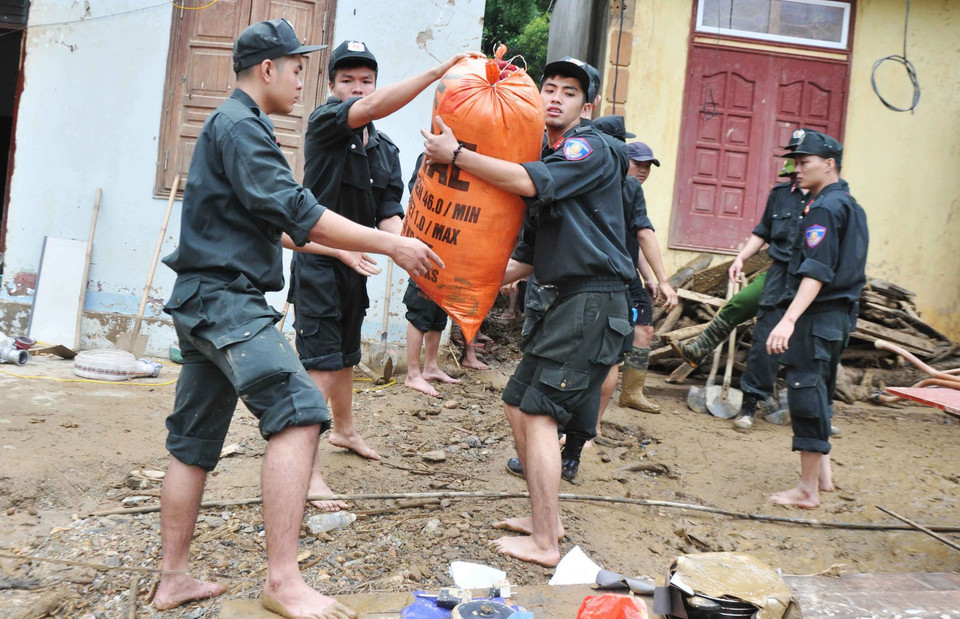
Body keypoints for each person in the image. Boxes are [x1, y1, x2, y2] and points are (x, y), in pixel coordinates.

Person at [155, 19, 442, 617]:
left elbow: (281, 224)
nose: (299, 79)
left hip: (204, 302)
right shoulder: (241, 127)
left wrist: (340, 247)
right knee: (299, 414)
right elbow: (296, 208)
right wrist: (391, 245)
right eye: (296, 68)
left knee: (193, 441)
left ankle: (172, 577)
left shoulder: (238, 127)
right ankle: (283, 581)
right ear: (268, 69)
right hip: (226, 302)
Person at [422, 56, 633, 566]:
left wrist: (458, 155)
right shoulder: (551, 153)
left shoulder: (589, 148)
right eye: (550, 87)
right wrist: (465, 280)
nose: (556, 97)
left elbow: (527, 182)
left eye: (570, 92)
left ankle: (545, 543)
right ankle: (547, 519)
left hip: (591, 299)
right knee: (518, 400)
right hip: (565, 298)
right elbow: (530, 257)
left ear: (590, 105)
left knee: (539, 411)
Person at [288, 41, 473, 496]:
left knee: (347, 354)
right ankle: (305, 471)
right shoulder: (325, 123)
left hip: (358, 265)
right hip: (319, 260)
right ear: (331, 86)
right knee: (321, 366)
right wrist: (436, 74)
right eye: (346, 80)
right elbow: (371, 108)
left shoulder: (385, 149)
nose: (356, 89)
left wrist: (406, 246)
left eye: (364, 81)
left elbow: (388, 209)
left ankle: (344, 430)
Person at [766, 130, 868, 509]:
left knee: (806, 394)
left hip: (817, 313)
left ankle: (806, 490)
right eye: (794, 162)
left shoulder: (824, 208)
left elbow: (818, 270)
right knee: (821, 391)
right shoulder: (849, 204)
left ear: (829, 165)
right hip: (839, 318)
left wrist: (788, 320)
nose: (796, 170)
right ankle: (823, 477)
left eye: (804, 162)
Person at [402, 156, 461, 396]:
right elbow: (416, 190)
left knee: (440, 311)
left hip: (452, 245)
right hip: (427, 243)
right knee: (419, 311)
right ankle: (412, 374)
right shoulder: (430, 155)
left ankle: (431, 367)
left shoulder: (468, 155)